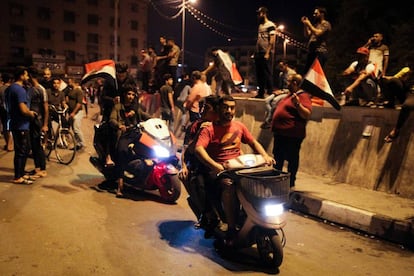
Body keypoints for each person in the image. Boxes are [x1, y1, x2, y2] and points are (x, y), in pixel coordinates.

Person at [195, 95, 274, 242]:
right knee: (229, 186)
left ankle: (254, 216)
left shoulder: (240, 126)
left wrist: (265, 156)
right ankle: (231, 228)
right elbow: (199, 149)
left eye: (232, 108)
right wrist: (215, 166)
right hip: (222, 172)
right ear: (219, 109)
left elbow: (253, 143)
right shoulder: (209, 129)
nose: (229, 111)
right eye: (225, 107)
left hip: (239, 167)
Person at [179, 95, 219, 229]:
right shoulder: (196, 125)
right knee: (197, 182)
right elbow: (187, 148)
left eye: (206, 108)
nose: (201, 110)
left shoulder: (222, 125)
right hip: (198, 165)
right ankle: (206, 215)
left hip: (218, 163)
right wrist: (183, 166)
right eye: (201, 107)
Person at [109, 88, 152, 198]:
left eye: (133, 94)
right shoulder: (118, 107)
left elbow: (144, 116)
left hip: (136, 133)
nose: (131, 96)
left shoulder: (136, 108)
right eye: (129, 94)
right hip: (124, 134)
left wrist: (156, 121)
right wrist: (119, 126)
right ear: (125, 95)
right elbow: (112, 119)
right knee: (122, 152)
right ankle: (120, 184)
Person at [271, 74, 312, 188]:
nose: (286, 83)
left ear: (294, 83)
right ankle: (276, 181)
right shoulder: (289, 95)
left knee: (292, 159)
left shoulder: (303, 96)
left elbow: (306, 114)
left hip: (292, 135)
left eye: (288, 81)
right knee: (278, 158)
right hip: (281, 134)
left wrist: (298, 104)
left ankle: (290, 184)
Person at [4, 66, 37, 184]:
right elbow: (23, 109)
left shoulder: (10, 88)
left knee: (22, 150)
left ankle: (21, 173)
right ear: (22, 75)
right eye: (26, 75)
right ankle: (18, 176)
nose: (28, 77)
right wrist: (31, 113)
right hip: (21, 124)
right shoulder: (19, 90)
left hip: (15, 122)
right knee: (22, 151)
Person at [261, 60, 297, 129]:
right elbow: (280, 86)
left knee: (275, 101)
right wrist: (278, 91)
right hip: (282, 91)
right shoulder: (281, 74)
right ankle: (271, 116)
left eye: (281, 66)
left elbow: (292, 88)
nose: (280, 68)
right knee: (267, 100)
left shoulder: (292, 73)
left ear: (286, 65)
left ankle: (269, 120)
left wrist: (283, 91)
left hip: (288, 92)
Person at [26, 66, 48, 178]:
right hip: (31, 120)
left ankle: (43, 169)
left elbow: (45, 108)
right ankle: (37, 168)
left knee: (38, 146)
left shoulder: (41, 89)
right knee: (34, 146)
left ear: (30, 75)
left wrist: (45, 124)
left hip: (38, 121)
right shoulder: (29, 89)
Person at [383, 67, 413, 143]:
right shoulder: (408, 70)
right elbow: (395, 77)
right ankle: (391, 103)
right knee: (392, 81)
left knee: (407, 106)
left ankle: (396, 130)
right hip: (407, 92)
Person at [254, 6, 276, 99]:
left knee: (267, 72)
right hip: (258, 52)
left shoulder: (270, 24)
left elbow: (272, 39)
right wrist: (255, 51)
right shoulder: (260, 26)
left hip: (265, 52)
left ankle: (270, 92)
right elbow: (259, 39)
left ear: (263, 13)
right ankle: (261, 93)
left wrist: (267, 52)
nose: (258, 16)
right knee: (259, 73)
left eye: (259, 14)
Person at [301, 6, 331, 73]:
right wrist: (305, 25)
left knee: (316, 74)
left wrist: (309, 24)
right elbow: (307, 35)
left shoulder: (326, 24)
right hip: (312, 52)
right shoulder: (315, 25)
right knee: (307, 73)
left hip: (320, 51)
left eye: (316, 13)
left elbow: (318, 33)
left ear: (322, 14)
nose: (314, 15)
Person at [66, 78, 85, 150]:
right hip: (71, 112)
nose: (68, 82)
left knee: (76, 128)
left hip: (78, 112)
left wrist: (74, 112)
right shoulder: (71, 90)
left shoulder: (79, 91)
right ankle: (78, 144)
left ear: (73, 82)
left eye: (69, 81)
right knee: (74, 129)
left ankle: (82, 143)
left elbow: (79, 103)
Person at [0, 72, 14, 151]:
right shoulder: (10, 89)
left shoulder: (1, 88)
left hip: (2, 109)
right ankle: (10, 145)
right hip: (9, 110)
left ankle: (7, 143)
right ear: (10, 80)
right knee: (10, 128)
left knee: (5, 127)